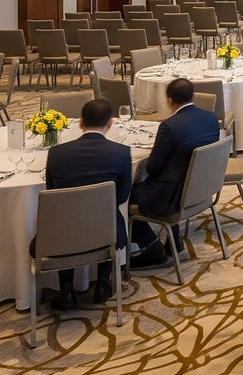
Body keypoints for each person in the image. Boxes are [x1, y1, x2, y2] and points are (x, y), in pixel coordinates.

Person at [40, 98, 131, 309]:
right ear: (110, 123)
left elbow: (53, 194)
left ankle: (66, 291)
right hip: (106, 232)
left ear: (80, 123)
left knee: (65, 219)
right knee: (110, 215)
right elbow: (122, 197)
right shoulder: (121, 154)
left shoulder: (56, 154)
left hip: (62, 236)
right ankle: (102, 285)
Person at [128, 78, 221, 269]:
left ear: (169, 101)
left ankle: (152, 247)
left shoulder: (169, 127)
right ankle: (174, 239)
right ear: (192, 96)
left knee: (124, 193)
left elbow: (152, 168)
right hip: (200, 190)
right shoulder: (211, 117)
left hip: (172, 197)